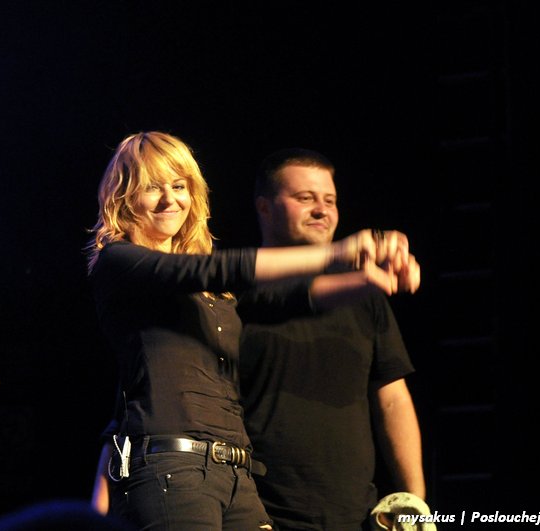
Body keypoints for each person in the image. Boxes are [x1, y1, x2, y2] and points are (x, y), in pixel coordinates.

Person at [86, 132, 418, 531]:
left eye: (179, 187)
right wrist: (340, 251)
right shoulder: (119, 261)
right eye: (152, 188)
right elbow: (207, 270)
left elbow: (284, 297)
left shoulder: (212, 293)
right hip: (172, 467)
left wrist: (372, 277)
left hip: (235, 470)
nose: (169, 199)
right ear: (123, 197)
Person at [237, 148, 426, 530]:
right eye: (305, 198)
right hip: (258, 512)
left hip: (353, 514)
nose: (322, 210)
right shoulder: (233, 292)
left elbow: (391, 398)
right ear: (264, 208)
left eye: (330, 200)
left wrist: (415, 502)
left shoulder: (365, 298)